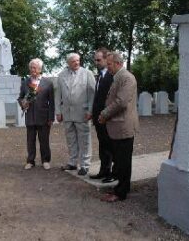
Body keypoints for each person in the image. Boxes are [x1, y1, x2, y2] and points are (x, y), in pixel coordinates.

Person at [99, 52, 139, 202]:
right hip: (117, 125)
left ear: (117, 63)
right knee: (121, 160)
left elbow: (121, 102)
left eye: (109, 64)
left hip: (123, 125)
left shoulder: (127, 78)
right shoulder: (118, 77)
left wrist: (104, 114)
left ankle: (120, 192)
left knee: (123, 161)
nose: (107, 67)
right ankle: (122, 187)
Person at [55, 53, 96, 176]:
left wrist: (90, 111)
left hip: (82, 112)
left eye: (78, 60)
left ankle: (85, 165)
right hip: (67, 113)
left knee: (84, 140)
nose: (77, 63)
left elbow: (92, 94)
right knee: (71, 138)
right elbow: (58, 95)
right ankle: (72, 162)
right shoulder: (61, 75)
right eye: (74, 61)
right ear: (68, 62)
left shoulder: (87, 73)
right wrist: (58, 111)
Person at [18, 58, 55, 170]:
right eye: (31, 67)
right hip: (30, 116)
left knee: (44, 140)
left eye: (34, 68)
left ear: (40, 69)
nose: (32, 70)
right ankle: (30, 161)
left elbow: (52, 102)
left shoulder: (48, 83)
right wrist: (23, 103)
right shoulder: (25, 82)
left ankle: (46, 160)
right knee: (30, 140)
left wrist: (51, 118)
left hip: (44, 117)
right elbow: (20, 97)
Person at [89, 48, 115, 183]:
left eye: (98, 60)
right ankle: (103, 171)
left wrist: (105, 115)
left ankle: (111, 174)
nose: (96, 62)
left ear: (106, 59)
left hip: (107, 118)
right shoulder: (100, 75)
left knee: (110, 146)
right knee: (102, 145)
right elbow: (97, 98)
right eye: (95, 60)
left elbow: (111, 99)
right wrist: (93, 114)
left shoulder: (112, 76)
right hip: (98, 118)